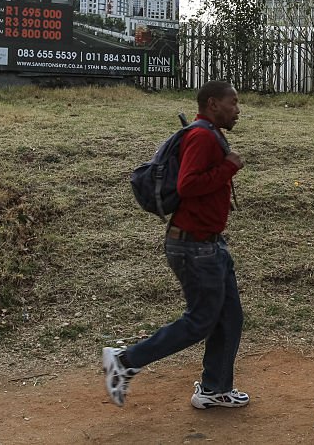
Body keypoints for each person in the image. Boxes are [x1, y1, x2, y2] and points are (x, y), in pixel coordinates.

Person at [102, 81, 248, 410]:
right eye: (233, 102)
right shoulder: (200, 136)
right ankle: (124, 361)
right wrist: (229, 167)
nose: (238, 110)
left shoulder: (209, 132)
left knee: (230, 318)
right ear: (213, 104)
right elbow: (188, 184)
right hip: (194, 246)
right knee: (200, 321)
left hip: (210, 243)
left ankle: (215, 388)